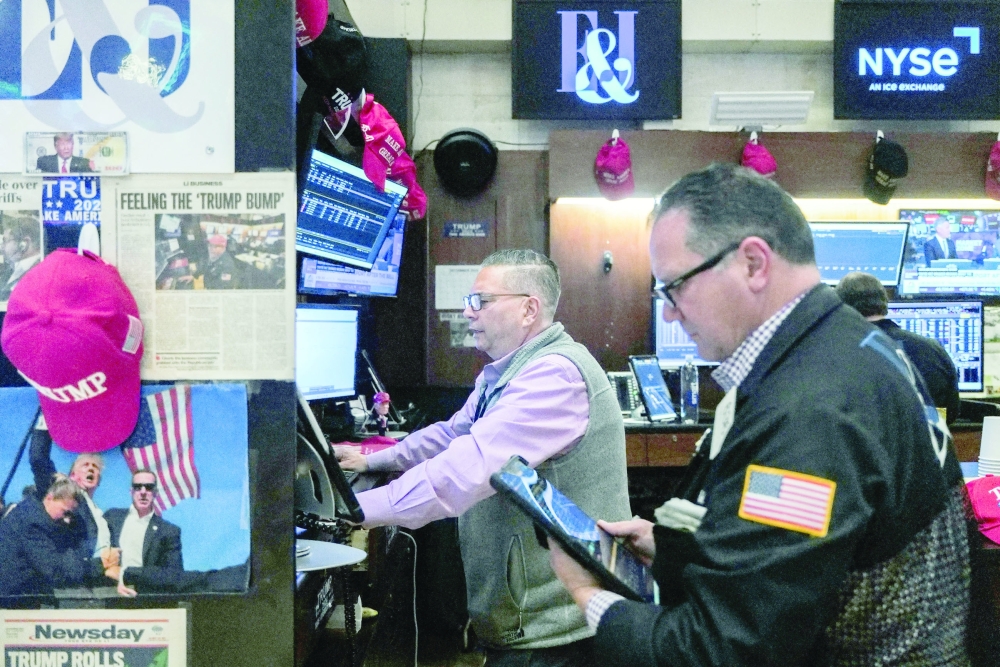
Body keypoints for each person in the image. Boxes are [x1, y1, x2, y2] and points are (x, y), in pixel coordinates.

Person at [548, 163, 970, 666]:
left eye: (675, 287)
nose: (668, 313)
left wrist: (587, 595)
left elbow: (724, 649)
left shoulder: (810, 411)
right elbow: (811, 552)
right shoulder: (854, 347)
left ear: (753, 263)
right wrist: (677, 547)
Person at [336, 249, 631, 666]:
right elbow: (453, 434)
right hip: (531, 623)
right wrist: (376, 462)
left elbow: (464, 471)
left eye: (480, 301)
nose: (467, 312)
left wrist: (351, 509)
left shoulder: (555, 376)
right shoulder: (511, 371)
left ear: (529, 309)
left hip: (553, 635)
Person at [836, 271, 961, 423]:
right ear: (884, 302)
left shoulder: (837, 352)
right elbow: (952, 410)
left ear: (842, 308)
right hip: (927, 443)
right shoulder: (932, 349)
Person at [0, 476, 116, 599]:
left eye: (71, 515)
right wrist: (102, 563)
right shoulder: (33, 524)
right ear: (50, 498)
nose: (67, 520)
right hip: (12, 603)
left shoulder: (34, 513)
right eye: (66, 513)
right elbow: (55, 571)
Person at [29, 427, 111, 559]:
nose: (91, 468)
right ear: (72, 475)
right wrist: (45, 422)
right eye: (85, 465)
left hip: (100, 574)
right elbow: (39, 459)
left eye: (95, 467)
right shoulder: (64, 494)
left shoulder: (100, 514)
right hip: (75, 572)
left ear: (99, 480)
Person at [104, 470, 183, 595]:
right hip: (108, 594)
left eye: (149, 487)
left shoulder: (168, 531)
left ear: (155, 493)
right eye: (138, 487)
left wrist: (128, 575)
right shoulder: (112, 518)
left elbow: (174, 574)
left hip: (145, 596)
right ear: (131, 491)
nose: (143, 492)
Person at [0, 215, 42, 301]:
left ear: (24, 243)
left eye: (5, 241)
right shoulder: (12, 269)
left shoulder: (39, 272)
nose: (1, 247)